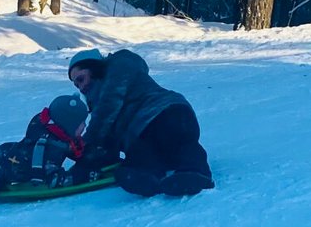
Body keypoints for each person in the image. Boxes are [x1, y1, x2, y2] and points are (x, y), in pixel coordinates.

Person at [66, 47, 213, 196]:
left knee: (182, 144)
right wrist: (87, 161)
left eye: (81, 79)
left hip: (167, 113)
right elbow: (108, 138)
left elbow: (109, 106)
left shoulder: (118, 67)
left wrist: (88, 142)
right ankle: (148, 178)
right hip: (142, 133)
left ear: (94, 67)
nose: (81, 87)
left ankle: (195, 173)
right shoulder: (99, 102)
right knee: (141, 156)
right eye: (77, 85)